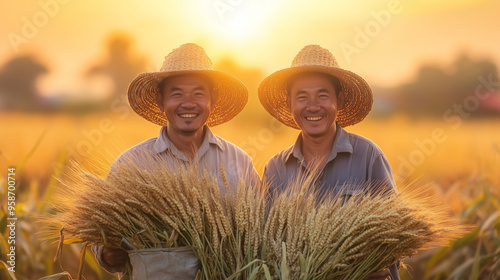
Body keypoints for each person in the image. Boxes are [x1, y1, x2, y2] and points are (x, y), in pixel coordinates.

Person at [93, 43, 259, 275]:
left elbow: (259, 233)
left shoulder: (240, 163)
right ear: (161, 101)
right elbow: (101, 238)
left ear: (212, 99)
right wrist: (108, 251)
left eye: (198, 93)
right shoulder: (131, 164)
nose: (188, 103)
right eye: (177, 93)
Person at [259, 45, 399, 280]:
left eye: (323, 95)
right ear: (290, 103)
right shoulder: (275, 168)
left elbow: (395, 232)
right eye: (302, 97)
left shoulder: (368, 156)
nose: (313, 106)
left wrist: (366, 269)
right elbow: (265, 246)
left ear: (340, 100)